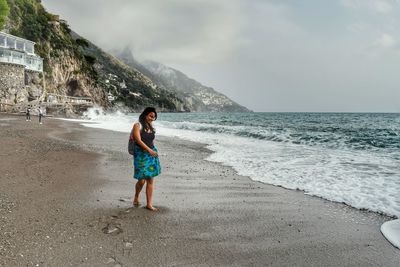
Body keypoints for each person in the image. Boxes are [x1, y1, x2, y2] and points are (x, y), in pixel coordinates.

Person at [131, 107, 161, 211]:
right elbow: (138, 140)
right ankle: (136, 197)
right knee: (142, 180)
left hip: (151, 155)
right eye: (150, 116)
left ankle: (149, 204)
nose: (152, 118)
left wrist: (154, 151)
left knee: (150, 179)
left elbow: (151, 141)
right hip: (140, 156)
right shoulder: (137, 125)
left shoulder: (151, 127)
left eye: (154, 117)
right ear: (145, 115)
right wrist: (149, 150)